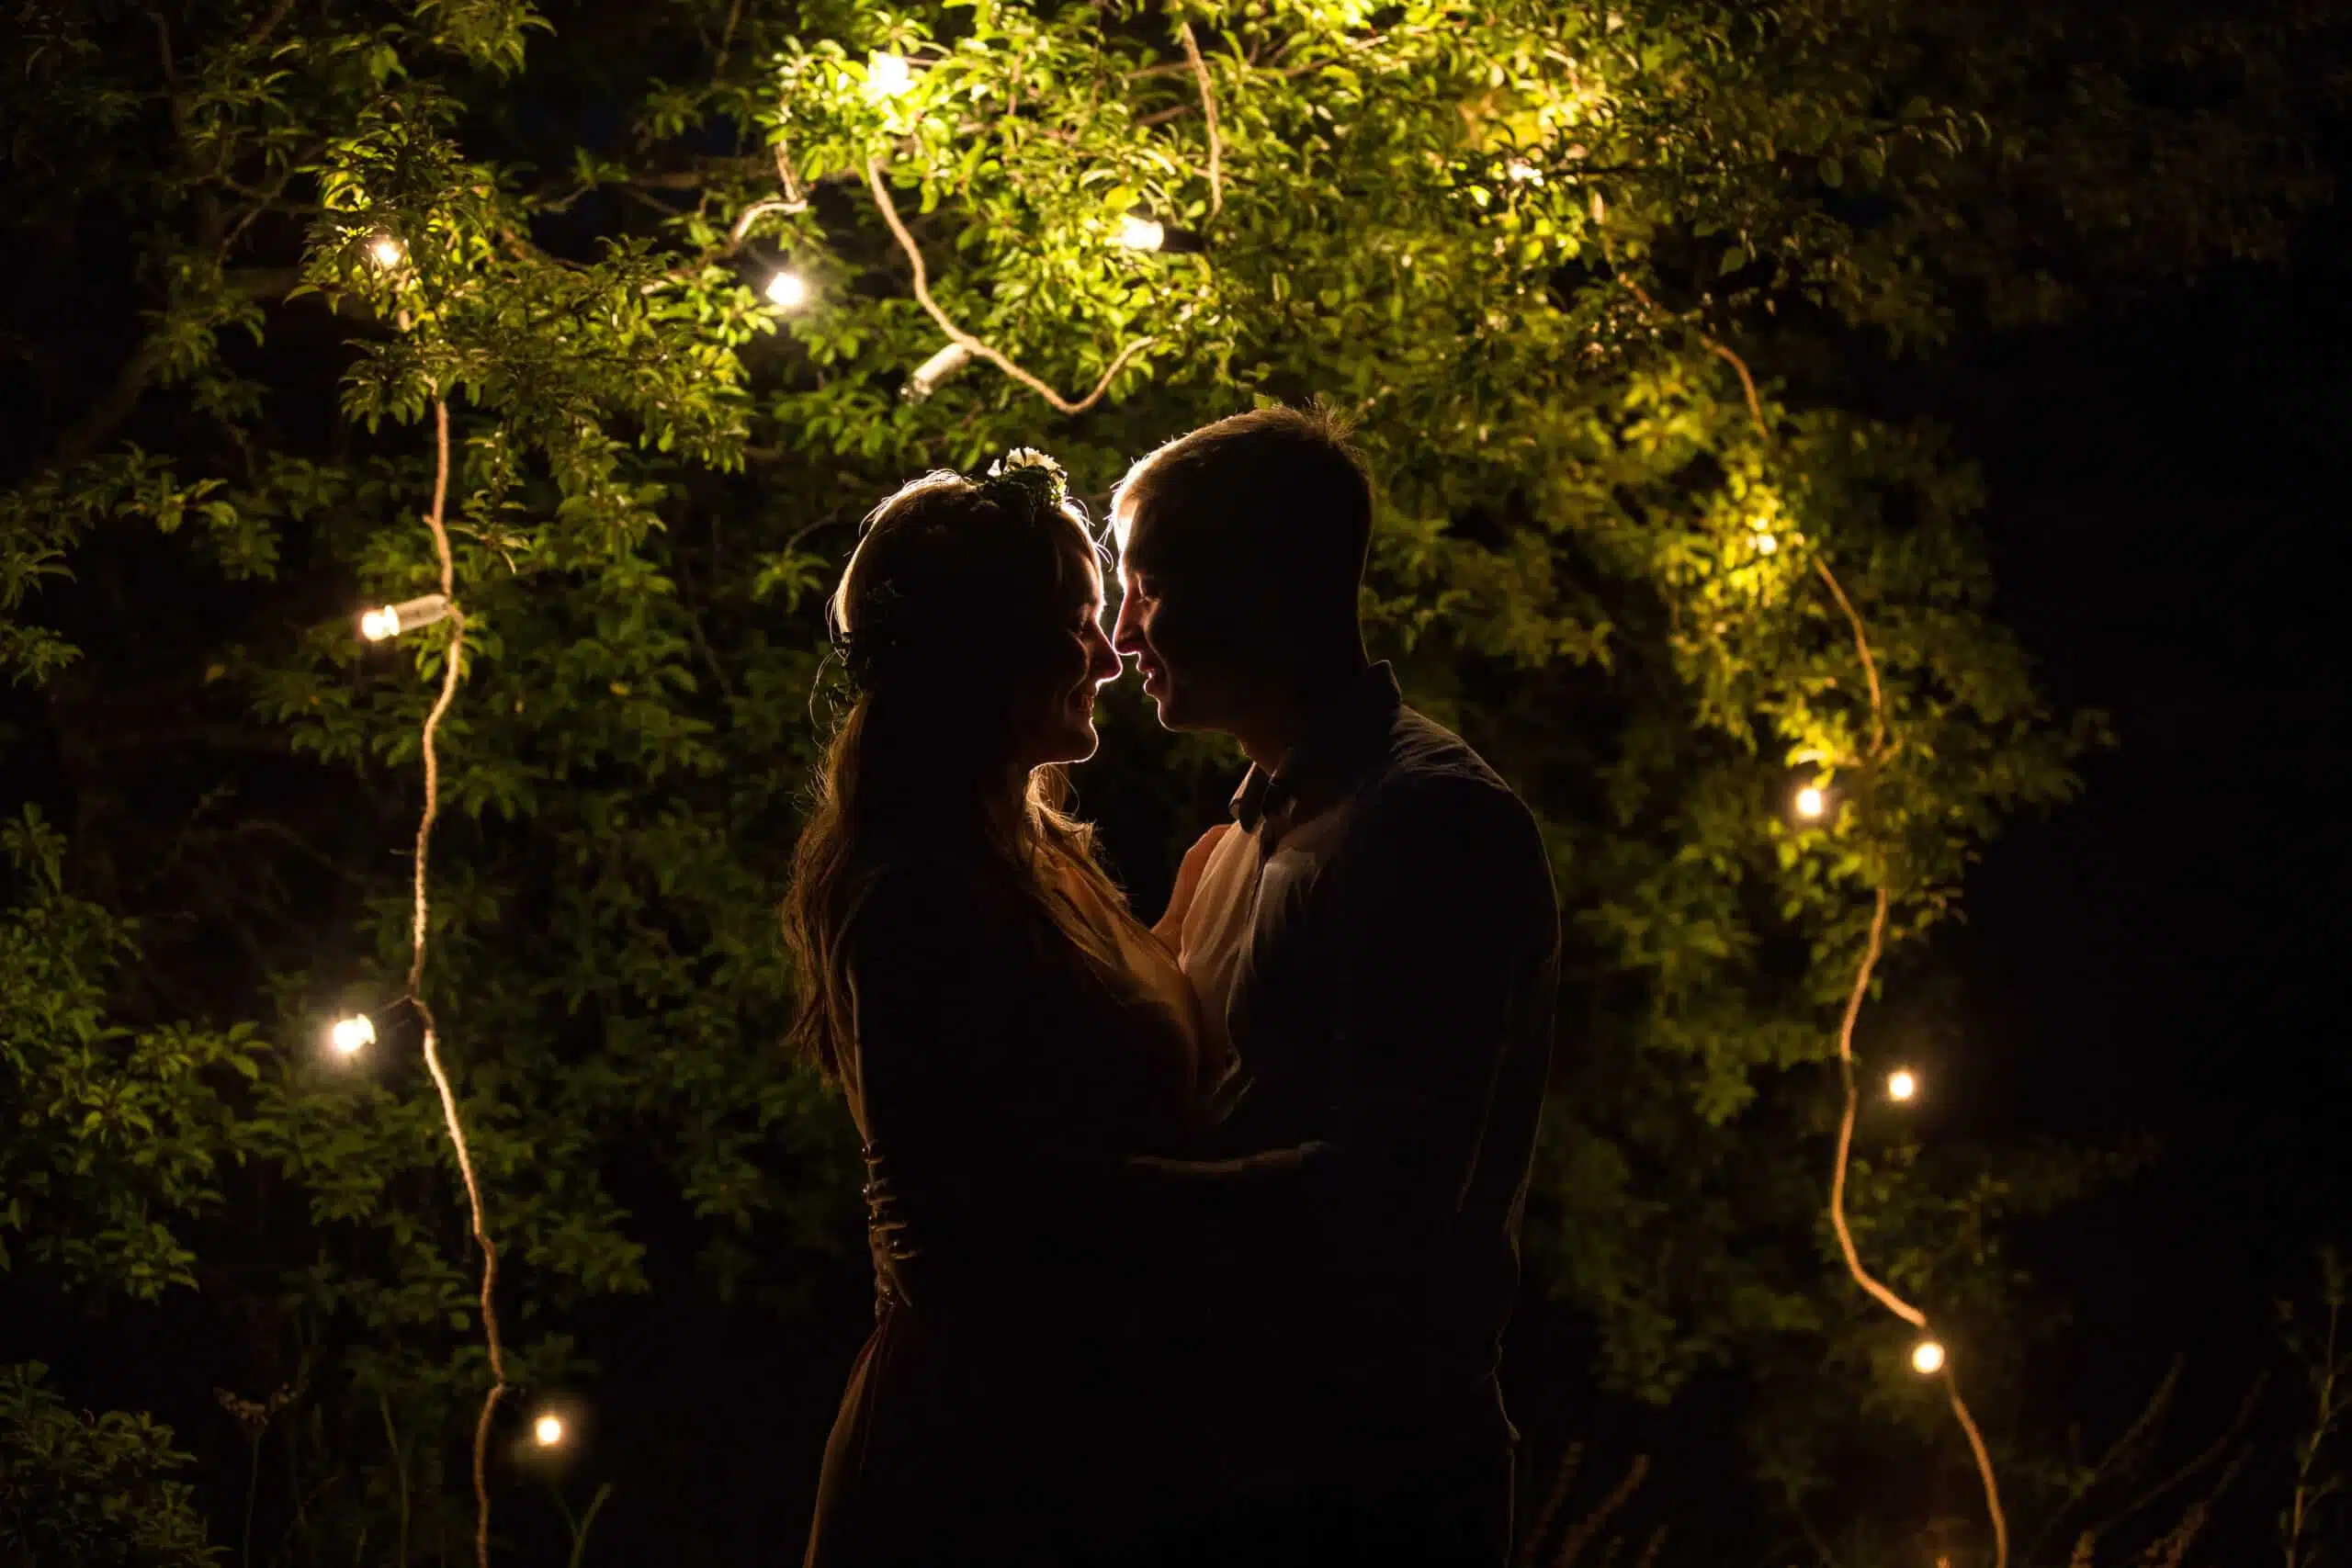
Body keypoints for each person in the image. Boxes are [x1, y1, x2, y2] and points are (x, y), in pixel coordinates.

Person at [785, 451, 1301, 1568]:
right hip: (978, 1462)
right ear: (983, 650)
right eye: (1078, 622)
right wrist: (1269, 1196)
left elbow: (1073, 1048)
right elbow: (965, 1223)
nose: (1114, 655)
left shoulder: (1027, 848)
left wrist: (1219, 895)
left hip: (1077, 1428)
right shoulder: (913, 884)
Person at [1112, 404, 1563, 1566]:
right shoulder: (1234, 841)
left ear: (1261, 582)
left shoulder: (1432, 821)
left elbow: (1387, 1191)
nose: (1120, 636)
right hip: (1232, 1460)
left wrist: (1086, 1207)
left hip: (1370, 1483)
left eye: (1147, 587)